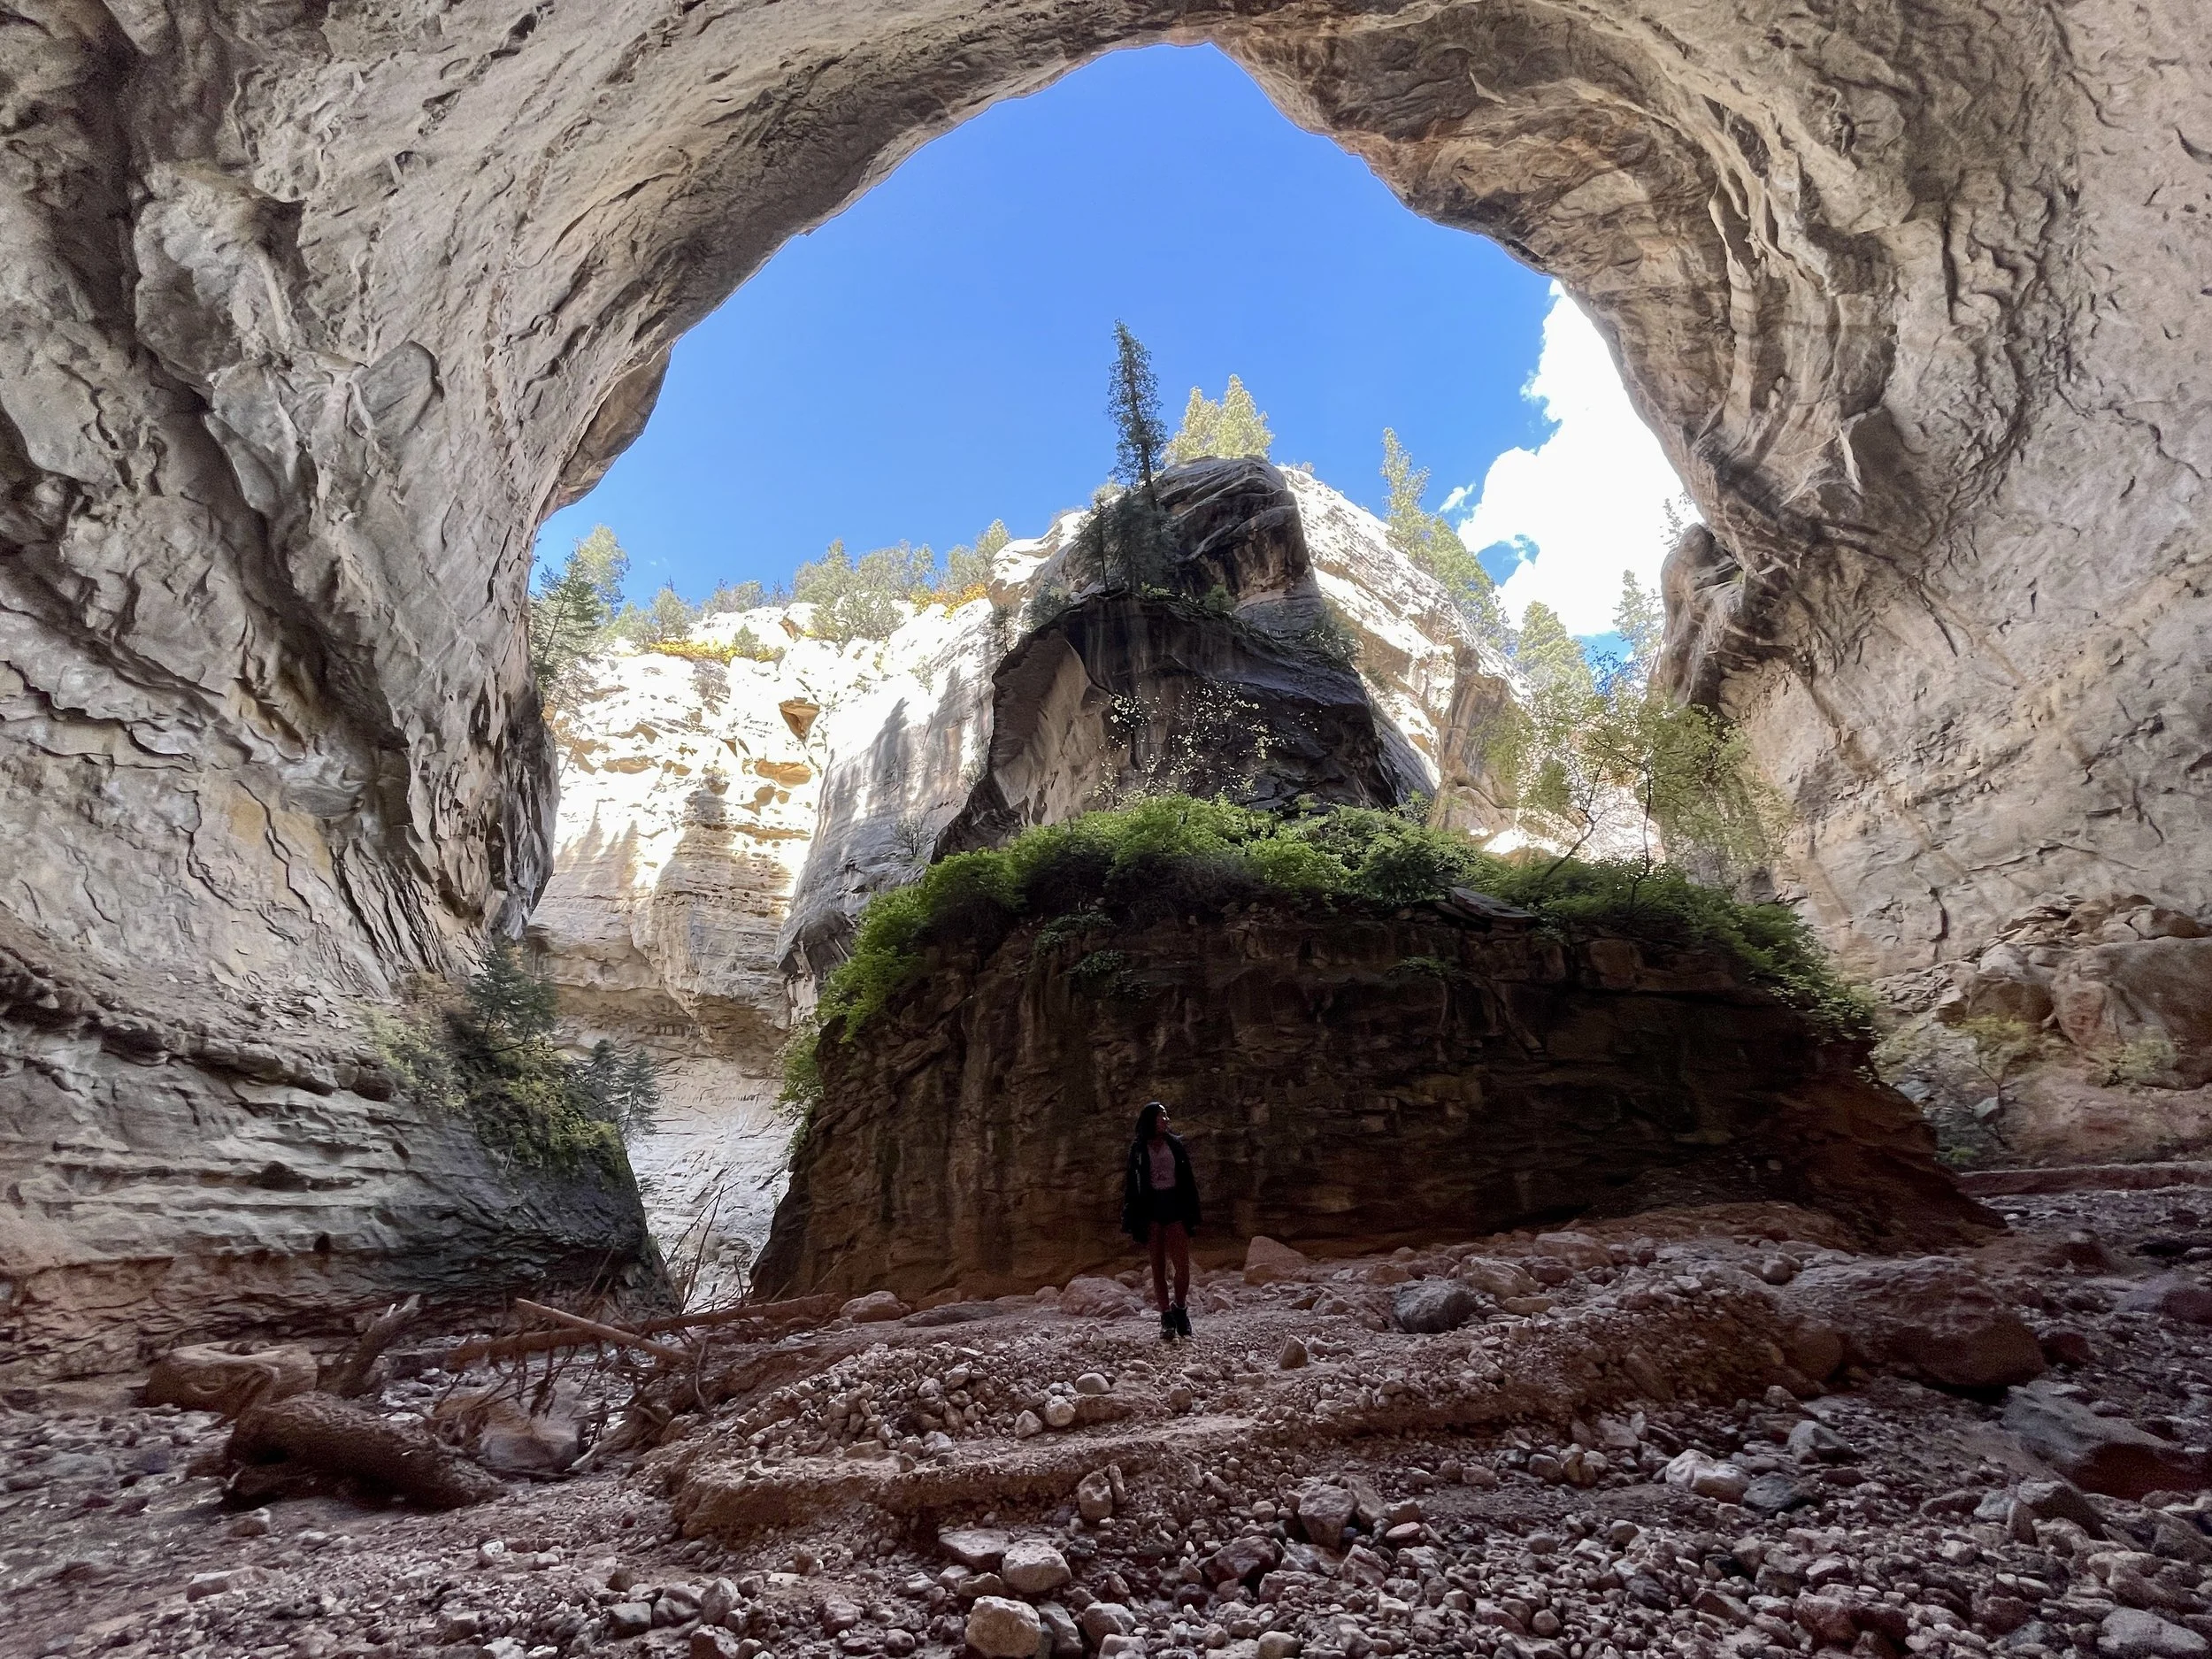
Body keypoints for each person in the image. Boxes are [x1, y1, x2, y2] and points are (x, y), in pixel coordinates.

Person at [1121, 1101, 1200, 1340]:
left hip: (1174, 1204)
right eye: (1161, 1116)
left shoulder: (1175, 1146)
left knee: (1182, 1266)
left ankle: (1181, 1308)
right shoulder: (1138, 1149)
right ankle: (1166, 1316)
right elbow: (1131, 1186)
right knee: (1157, 1266)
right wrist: (1133, 1215)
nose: (1166, 1121)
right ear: (1150, 1120)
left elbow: (1187, 1179)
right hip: (1150, 1207)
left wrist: (1192, 1209)